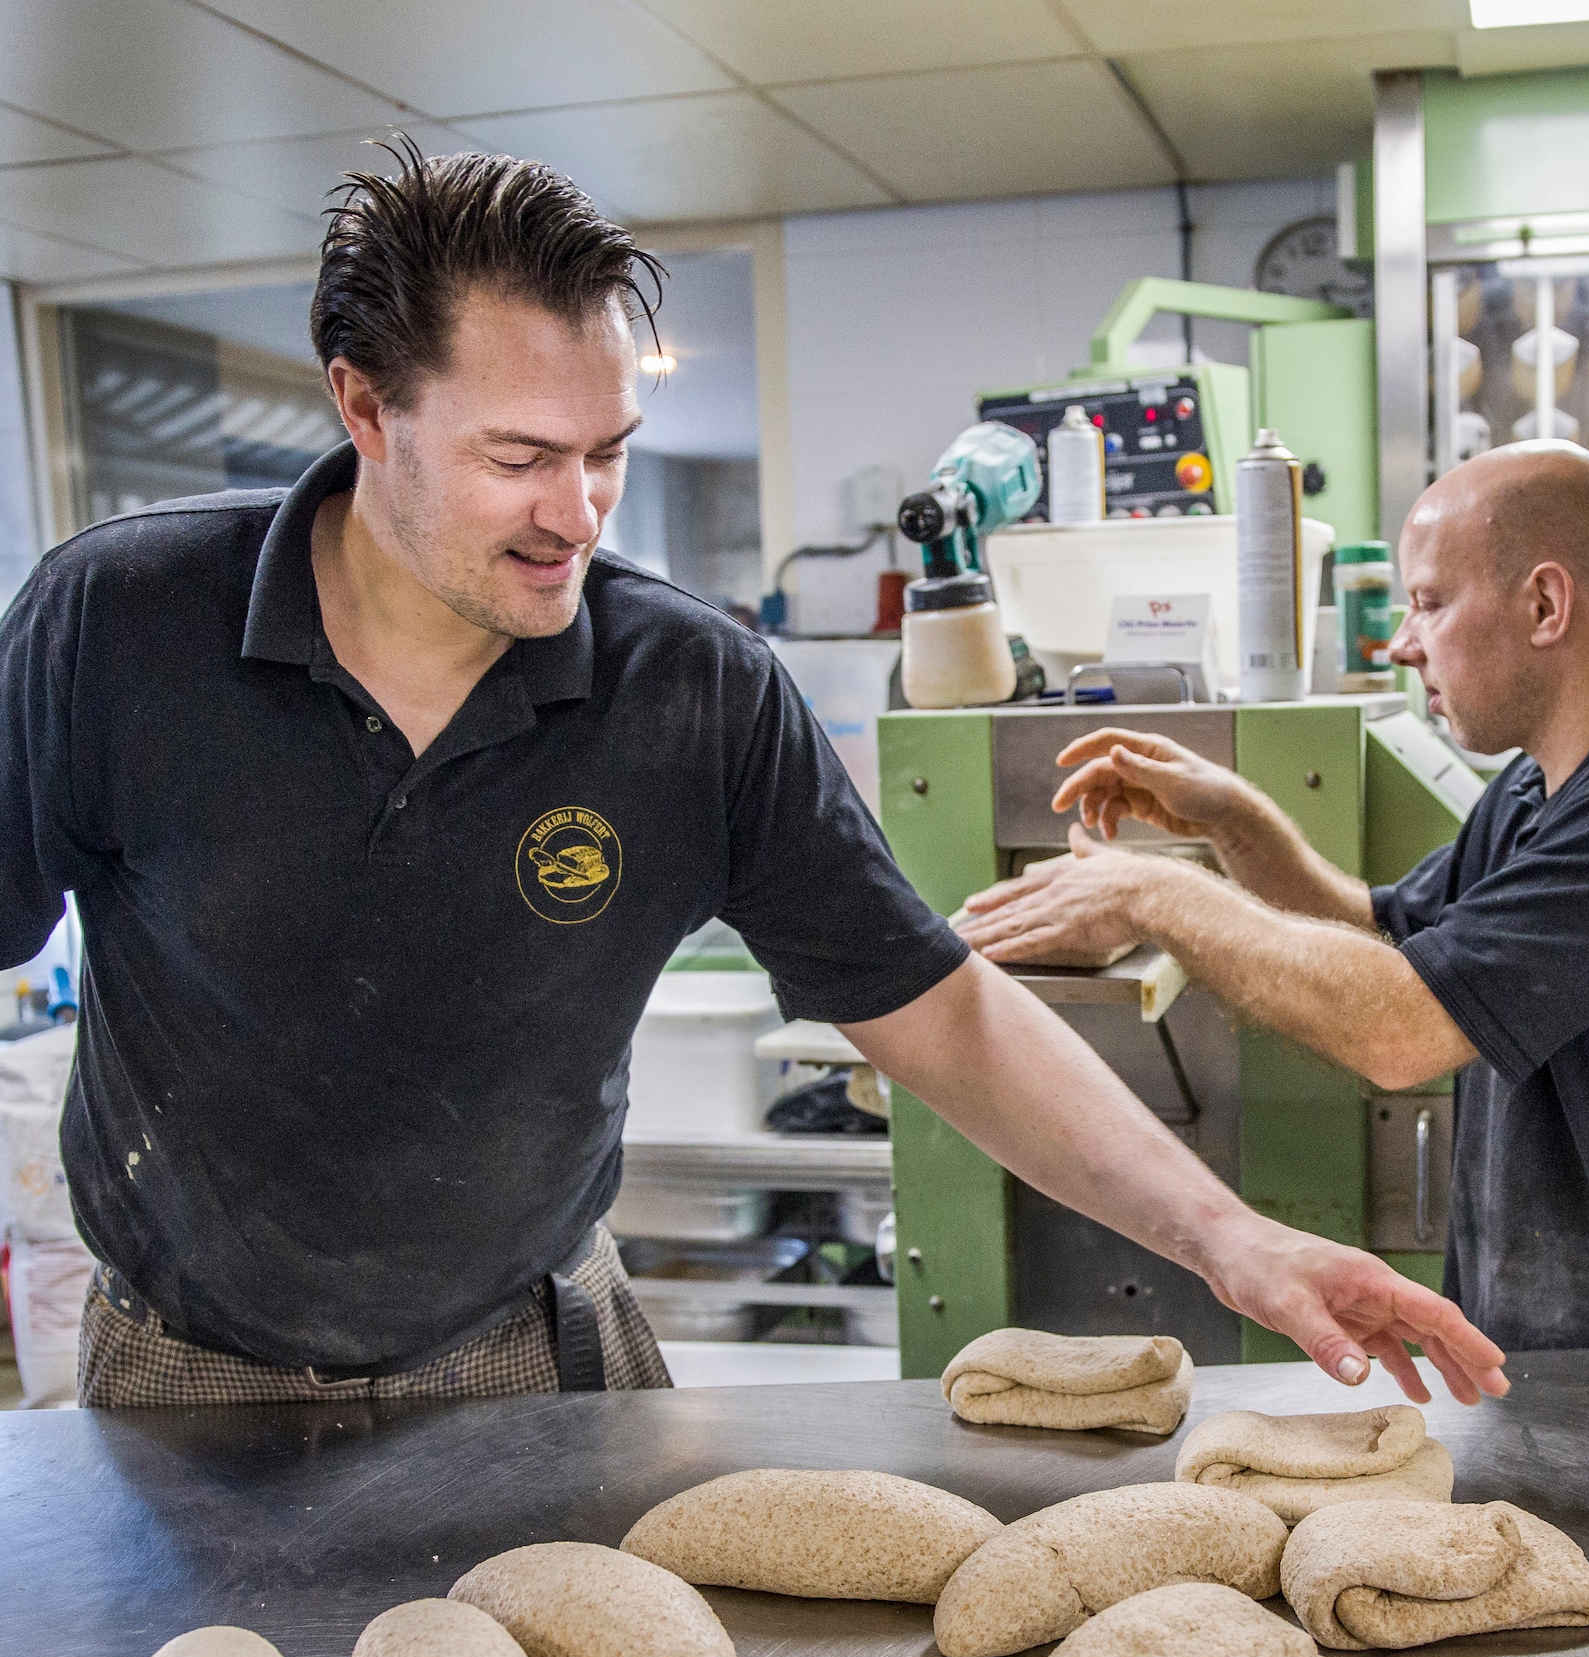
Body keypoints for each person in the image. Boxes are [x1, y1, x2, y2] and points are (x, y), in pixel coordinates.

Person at [0, 144, 1505, 1410]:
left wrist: (1228, 1239)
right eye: (520, 456)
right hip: (191, 1370)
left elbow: (943, 1014)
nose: (577, 514)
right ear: (365, 407)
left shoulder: (688, 688)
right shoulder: (117, 625)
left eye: (609, 452)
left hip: (539, 1355)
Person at [957, 443, 1589, 1353]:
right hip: (1573, 1370)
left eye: (1429, 602)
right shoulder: (1544, 787)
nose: (1402, 643)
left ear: (1544, 605)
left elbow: (1399, 1027)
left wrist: (1152, 893)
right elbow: (1380, 936)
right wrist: (1232, 823)